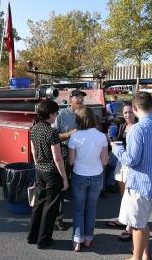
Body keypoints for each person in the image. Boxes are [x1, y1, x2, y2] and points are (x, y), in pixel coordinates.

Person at [112, 92, 152, 260]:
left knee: (137, 224)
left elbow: (131, 160)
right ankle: (144, 255)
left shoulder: (136, 130)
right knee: (142, 221)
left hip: (140, 184)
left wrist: (117, 148)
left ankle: (136, 258)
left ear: (135, 108)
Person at [27, 99, 69, 249]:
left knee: (38, 204)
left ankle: (32, 236)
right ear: (50, 114)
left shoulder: (34, 128)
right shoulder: (52, 132)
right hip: (52, 172)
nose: (56, 116)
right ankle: (44, 240)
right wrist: (64, 178)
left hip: (40, 170)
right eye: (56, 113)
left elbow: (33, 151)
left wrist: (38, 164)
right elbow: (57, 158)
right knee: (50, 207)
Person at [68, 106, 109, 252]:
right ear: (93, 118)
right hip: (97, 176)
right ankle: (88, 238)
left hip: (79, 176)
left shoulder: (75, 137)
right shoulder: (102, 136)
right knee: (91, 208)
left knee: (79, 209)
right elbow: (105, 162)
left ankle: (77, 240)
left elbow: (71, 162)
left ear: (78, 120)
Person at [52, 89, 86, 230]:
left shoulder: (84, 114)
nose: (80, 100)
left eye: (82, 98)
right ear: (70, 99)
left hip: (81, 155)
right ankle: (58, 217)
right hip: (65, 154)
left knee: (79, 185)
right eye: (77, 97)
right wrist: (69, 134)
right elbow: (54, 136)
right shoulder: (61, 115)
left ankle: (81, 215)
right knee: (62, 186)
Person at [106, 103, 138, 242]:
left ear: (135, 113)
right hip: (121, 162)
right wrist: (111, 138)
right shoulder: (122, 126)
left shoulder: (138, 128)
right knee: (123, 195)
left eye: (130, 112)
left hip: (132, 165)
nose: (127, 115)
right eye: (125, 113)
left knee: (131, 196)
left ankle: (129, 228)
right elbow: (118, 144)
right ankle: (123, 219)